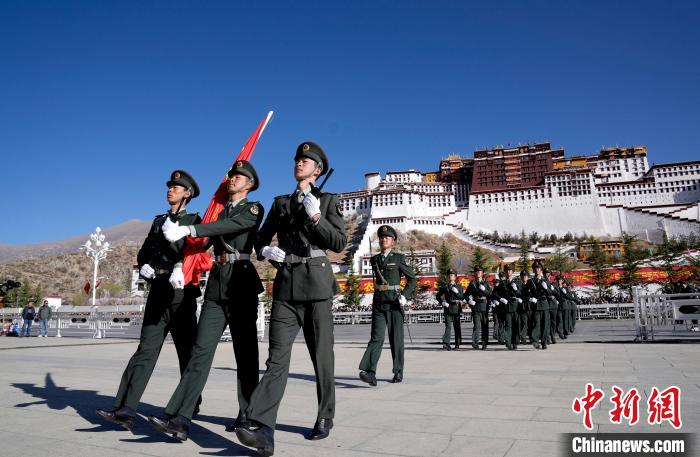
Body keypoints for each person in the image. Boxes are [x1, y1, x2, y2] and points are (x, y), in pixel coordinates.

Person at [236, 142, 346, 456]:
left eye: (306, 161)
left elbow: (338, 242)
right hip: (285, 286)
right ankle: (262, 428)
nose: (299, 163)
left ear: (318, 170)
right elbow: (260, 238)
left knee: (321, 357)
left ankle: (325, 414)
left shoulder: (327, 201)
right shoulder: (281, 203)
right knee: (276, 359)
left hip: (317, 286)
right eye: (298, 159)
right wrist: (266, 250)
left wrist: (316, 217)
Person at [147, 160, 265, 441]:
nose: (232, 179)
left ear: (249, 184)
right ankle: (180, 416)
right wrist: (179, 258)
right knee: (200, 351)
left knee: (245, 354)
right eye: (231, 176)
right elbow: (201, 244)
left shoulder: (253, 209)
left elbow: (231, 225)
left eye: (238, 177)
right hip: (216, 285)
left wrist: (192, 230)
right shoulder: (217, 213)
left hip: (241, 282)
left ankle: (248, 414)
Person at [96, 170, 201, 432]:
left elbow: (194, 252)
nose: (170, 190)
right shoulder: (158, 221)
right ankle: (125, 409)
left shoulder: (194, 220)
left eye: (176, 187)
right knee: (145, 350)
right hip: (159, 288)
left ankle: (188, 407)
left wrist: (176, 249)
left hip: (181, 290)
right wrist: (144, 266)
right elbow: (145, 252)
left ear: (187, 193)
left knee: (186, 352)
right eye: (169, 187)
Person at [359, 225, 417, 382]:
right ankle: (369, 372)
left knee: (396, 338)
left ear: (393, 241)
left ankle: (398, 371)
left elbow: (412, 280)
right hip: (379, 302)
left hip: (394, 303)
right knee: (376, 337)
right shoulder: (374, 259)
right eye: (381, 237)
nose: (384, 240)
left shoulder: (398, 259)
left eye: (387, 237)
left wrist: (404, 296)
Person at [495, 265, 523, 350]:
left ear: (512, 272)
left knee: (515, 325)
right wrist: (500, 299)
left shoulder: (517, 282)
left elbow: (521, 293)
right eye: (507, 270)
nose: (508, 272)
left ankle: (514, 342)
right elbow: (495, 293)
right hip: (506, 307)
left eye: (510, 270)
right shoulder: (502, 283)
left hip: (515, 306)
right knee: (508, 325)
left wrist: (516, 289)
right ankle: (508, 342)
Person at [436, 269, 464, 350]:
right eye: (449, 275)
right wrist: (442, 302)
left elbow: (462, 297)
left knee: (457, 327)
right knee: (448, 327)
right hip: (448, 307)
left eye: (452, 275)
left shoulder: (459, 286)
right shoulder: (445, 286)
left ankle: (457, 343)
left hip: (456, 307)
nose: (450, 276)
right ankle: (446, 343)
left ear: (455, 277)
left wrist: (457, 292)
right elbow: (438, 296)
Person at [524, 261, 550, 349]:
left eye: (538, 268)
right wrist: (530, 298)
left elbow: (550, 293)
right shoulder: (530, 281)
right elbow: (524, 293)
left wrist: (546, 288)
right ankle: (535, 340)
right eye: (535, 268)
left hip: (544, 304)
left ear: (541, 270)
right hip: (535, 305)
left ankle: (544, 342)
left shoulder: (546, 280)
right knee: (536, 324)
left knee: (544, 324)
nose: (536, 270)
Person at [466, 265, 491, 350]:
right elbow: (466, 294)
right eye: (476, 272)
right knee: (476, 326)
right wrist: (469, 301)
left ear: (482, 273)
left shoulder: (486, 283)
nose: (478, 273)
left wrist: (484, 290)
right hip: (476, 306)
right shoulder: (472, 283)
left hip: (484, 306)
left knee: (484, 326)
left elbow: (490, 294)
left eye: (479, 272)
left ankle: (484, 343)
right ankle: (475, 343)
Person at [517, 270, 531, 345]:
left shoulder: (530, 284)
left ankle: (531, 338)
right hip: (522, 307)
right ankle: (523, 337)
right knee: (524, 322)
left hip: (530, 306)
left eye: (525, 276)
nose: (524, 277)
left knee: (531, 322)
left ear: (528, 277)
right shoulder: (519, 285)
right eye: (522, 276)